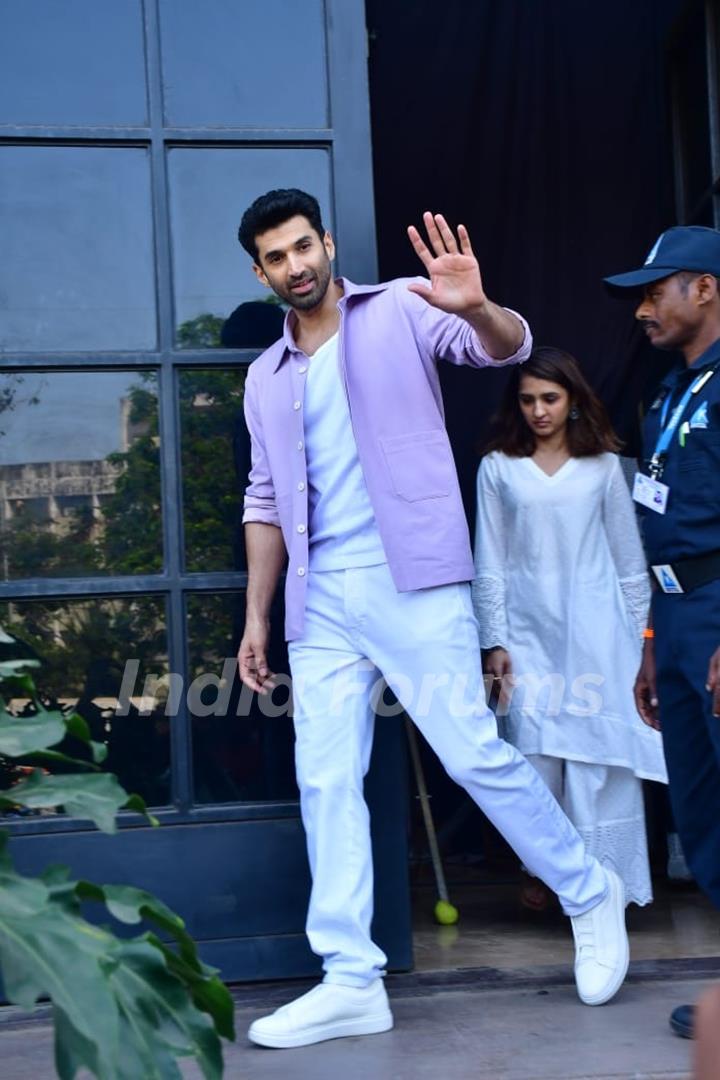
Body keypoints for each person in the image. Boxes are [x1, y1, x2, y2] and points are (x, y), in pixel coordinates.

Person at [236, 188, 629, 1049]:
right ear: (261, 272)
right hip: (321, 595)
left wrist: (480, 303)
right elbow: (263, 499)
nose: (296, 266)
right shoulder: (264, 380)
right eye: (276, 257)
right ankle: (349, 978)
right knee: (326, 779)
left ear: (327, 244)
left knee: (472, 754)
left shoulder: (402, 310)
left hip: (411, 575)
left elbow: (504, 347)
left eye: (304, 246)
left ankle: (588, 890)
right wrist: (258, 617)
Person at [473, 347, 667, 912]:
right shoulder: (498, 467)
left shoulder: (604, 466)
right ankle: (552, 879)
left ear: (574, 401)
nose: (538, 410)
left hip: (600, 638)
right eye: (528, 399)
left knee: (599, 762)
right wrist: (495, 640)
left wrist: (642, 646)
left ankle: (607, 890)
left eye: (550, 399)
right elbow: (488, 560)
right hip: (527, 638)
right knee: (534, 760)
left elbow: (630, 563)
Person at [604, 225, 720, 1040]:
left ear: (705, 288)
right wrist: (651, 640)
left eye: (657, 289)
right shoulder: (668, 392)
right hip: (675, 616)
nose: (642, 308)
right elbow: (661, 526)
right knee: (703, 811)